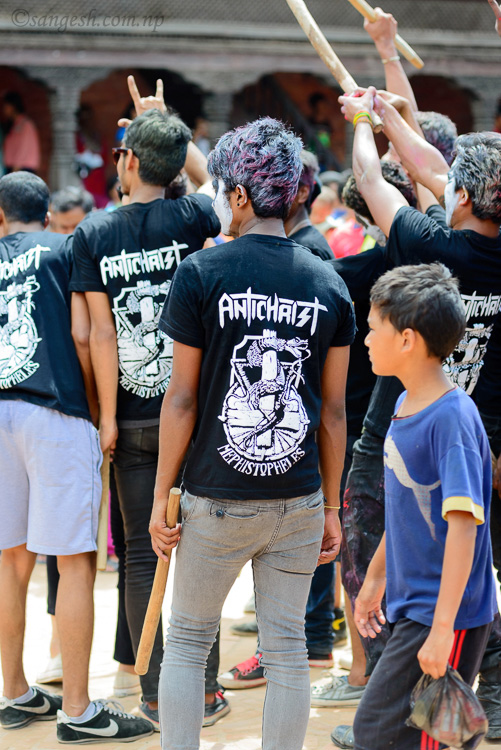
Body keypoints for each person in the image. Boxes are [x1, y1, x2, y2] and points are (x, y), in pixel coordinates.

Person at [150, 117, 355, 750]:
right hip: (296, 500)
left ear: (239, 196)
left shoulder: (203, 274)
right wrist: (329, 504)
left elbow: (181, 398)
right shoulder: (328, 282)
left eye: (221, 190)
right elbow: (332, 412)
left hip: (216, 496)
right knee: (288, 649)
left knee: (186, 642)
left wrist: (164, 493)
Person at [330, 87, 501, 746]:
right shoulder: (479, 246)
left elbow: (373, 177)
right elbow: (433, 167)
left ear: (459, 196)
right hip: (471, 432)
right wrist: (391, 115)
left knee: (420, 557)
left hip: (419, 432)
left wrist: (364, 122)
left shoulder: (430, 251)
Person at [70, 97, 220, 729]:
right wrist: (166, 122)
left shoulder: (92, 233)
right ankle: (202, 692)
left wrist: (106, 415)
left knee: (138, 550)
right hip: (191, 413)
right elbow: (217, 176)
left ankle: (154, 692)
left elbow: (97, 335)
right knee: (200, 551)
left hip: (130, 419)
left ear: (127, 161)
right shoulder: (191, 213)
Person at [0, 171, 153, 744]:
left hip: (2, 414)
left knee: (11, 561)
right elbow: (88, 334)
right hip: (55, 412)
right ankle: (80, 711)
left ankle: (14, 692)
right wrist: (102, 412)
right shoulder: (64, 249)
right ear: (46, 212)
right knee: (74, 564)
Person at [335, 262, 497, 749]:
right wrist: (374, 582)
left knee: (404, 735)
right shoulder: (405, 406)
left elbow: (464, 528)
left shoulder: (452, 419)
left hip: (446, 613)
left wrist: (444, 628)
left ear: (407, 339)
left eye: (373, 327)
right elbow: (409, 511)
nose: (365, 338)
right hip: (414, 607)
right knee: (393, 733)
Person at [2, 92, 40, 174]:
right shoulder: (12, 125)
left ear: (13, 106)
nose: (3, 109)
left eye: (6, 106)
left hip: (22, 168)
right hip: (11, 167)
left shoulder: (26, 124)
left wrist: (16, 167)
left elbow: (24, 147)